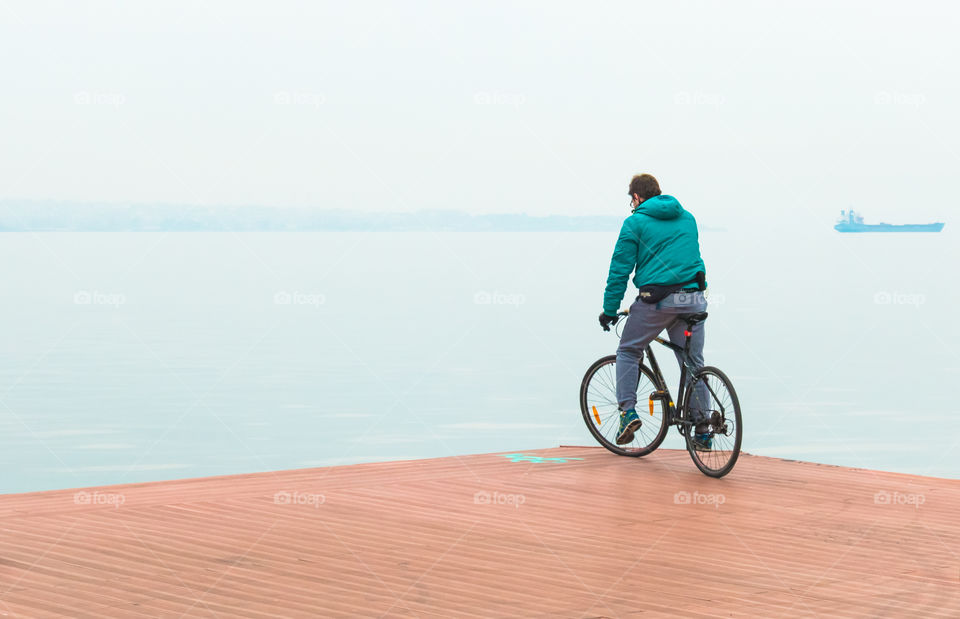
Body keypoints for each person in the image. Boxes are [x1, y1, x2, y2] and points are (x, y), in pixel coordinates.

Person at [597, 174, 713, 450]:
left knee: (628, 350)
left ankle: (628, 414)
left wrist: (609, 309)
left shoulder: (635, 222)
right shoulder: (687, 217)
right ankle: (703, 430)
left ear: (636, 197)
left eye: (631, 201)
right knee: (693, 363)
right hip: (694, 299)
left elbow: (619, 270)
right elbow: (692, 256)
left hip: (658, 301)